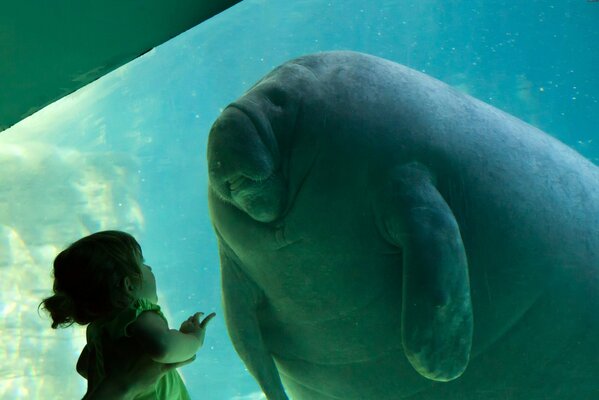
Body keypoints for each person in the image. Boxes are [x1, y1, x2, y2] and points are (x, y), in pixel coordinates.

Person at [39, 230, 215, 399]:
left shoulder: (98, 328)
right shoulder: (138, 312)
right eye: (142, 263)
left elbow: (85, 367)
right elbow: (164, 347)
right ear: (129, 285)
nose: (149, 267)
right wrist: (193, 339)